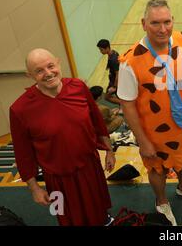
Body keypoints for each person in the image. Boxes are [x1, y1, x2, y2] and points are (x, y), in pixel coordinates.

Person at [117, 0, 182, 226]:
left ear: (173, 21)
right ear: (143, 23)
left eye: (167, 22)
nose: (163, 29)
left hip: (180, 122)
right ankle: (161, 203)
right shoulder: (130, 62)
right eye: (155, 23)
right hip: (153, 132)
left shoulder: (179, 39)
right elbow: (127, 105)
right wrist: (143, 141)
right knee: (157, 168)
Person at [10, 49, 115, 226]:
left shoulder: (78, 87)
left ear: (58, 63)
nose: (48, 73)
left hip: (91, 167)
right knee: (65, 217)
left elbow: (97, 122)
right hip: (56, 179)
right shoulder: (19, 109)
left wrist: (109, 151)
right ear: (30, 75)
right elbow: (23, 153)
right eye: (39, 70)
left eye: (50, 66)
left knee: (99, 209)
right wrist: (34, 188)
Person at [97, 39, 121, 105]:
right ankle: (122, 106)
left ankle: (123, 105)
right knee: (118, 96)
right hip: (113, 80)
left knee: (107, 97)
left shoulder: (113, 59)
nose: (100, 51)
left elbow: (117, 74)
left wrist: (114, 87)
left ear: (107, 48)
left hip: (115, 82)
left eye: (101, 49)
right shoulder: (113, 52)